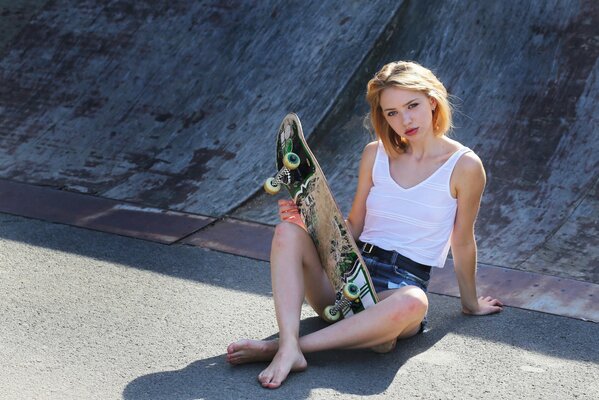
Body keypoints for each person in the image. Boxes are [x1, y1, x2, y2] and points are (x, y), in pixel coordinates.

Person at [226, 61, 503, 389]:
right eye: (392, 113)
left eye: (412, 105)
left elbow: (462, 241)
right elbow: (354, 225)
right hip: (345, 276)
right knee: (287, 231)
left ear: (432, 100)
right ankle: (289, 342)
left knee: (416, 302)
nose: (405, 120)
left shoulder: (465, 166)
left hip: (397, 294)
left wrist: (470, 304)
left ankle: (286, 348)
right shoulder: (376, 153)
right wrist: (310, 222)